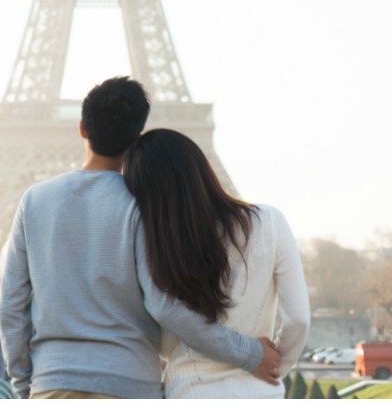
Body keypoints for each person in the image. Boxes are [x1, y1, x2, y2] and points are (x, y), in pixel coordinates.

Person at [0, 76, 283, 399]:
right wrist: (248, 352)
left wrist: (25, 385)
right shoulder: (142, 206)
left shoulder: (35, 201)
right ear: (136, 139)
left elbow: (11, 306)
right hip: (130, 385)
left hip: (53, 382)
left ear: (82, 129)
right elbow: (166, 308)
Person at [122, 128, 309, 397]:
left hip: (189, 390)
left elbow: (165, 341)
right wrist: (274, 368)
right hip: (259, 391)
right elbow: (299, 320)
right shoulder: (270, 222)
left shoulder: (160, 250)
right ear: (200, 167)